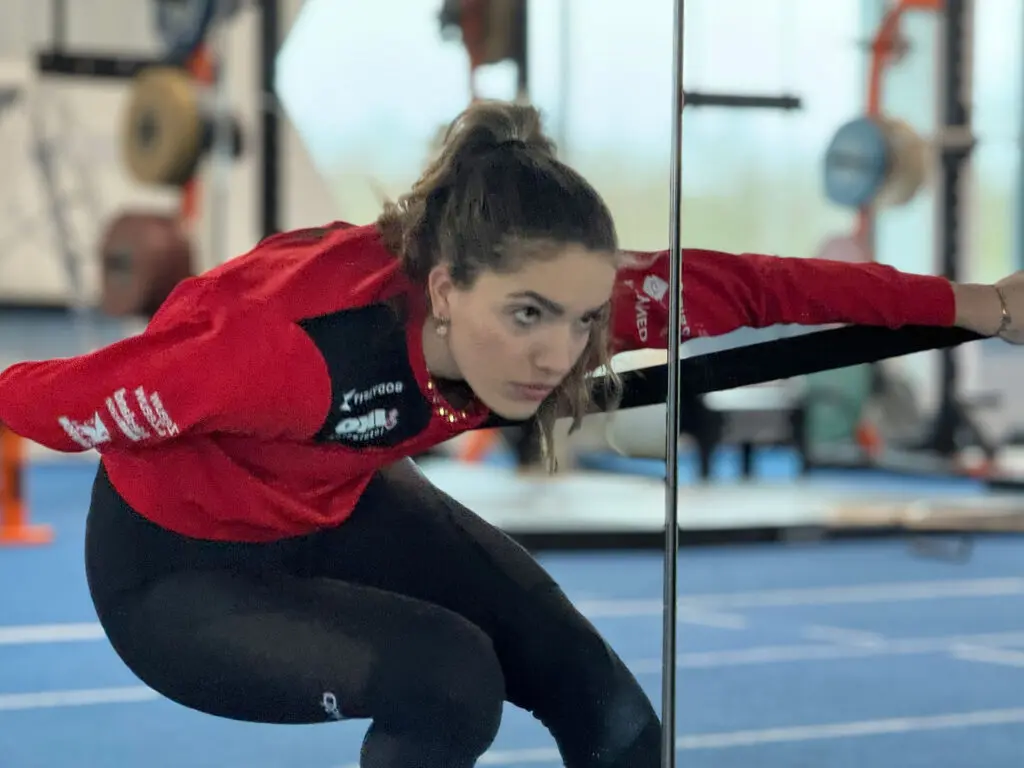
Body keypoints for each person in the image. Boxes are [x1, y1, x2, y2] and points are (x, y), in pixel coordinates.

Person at [0, 99, 1021, 768]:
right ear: (444, 290)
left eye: (582, 320)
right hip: (178, 570)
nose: (556, 354)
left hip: (337, 501)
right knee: (448, 679)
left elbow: (769, 286)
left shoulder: (557, 292)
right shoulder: (281, 354)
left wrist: (979, 304)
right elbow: (47, 395)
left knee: (612, 718)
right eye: (528, 317)